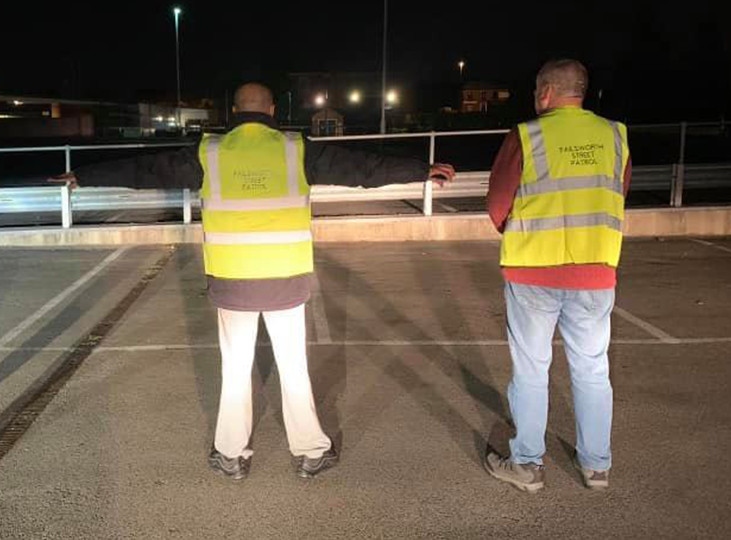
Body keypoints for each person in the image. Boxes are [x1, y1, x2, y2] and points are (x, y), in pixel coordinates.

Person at [51, 82, 455, 480]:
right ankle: (311, 452)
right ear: (273, 111)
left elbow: (143, 170)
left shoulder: (209, 152)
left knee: (236, 368)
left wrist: (83, 176)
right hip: (285, 279)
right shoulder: (297, 150)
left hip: (233, 281)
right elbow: (363, 168)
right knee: (294, 367)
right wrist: (421, 169)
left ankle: (231, 454)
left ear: (233, 112)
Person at [484, 60, 631, 492]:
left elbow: (498, 203)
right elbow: (618, 192)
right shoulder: (615, 136)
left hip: (533, 271)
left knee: (531, 368)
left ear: (546, 91)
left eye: (535, 90)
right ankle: (596, 466)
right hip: (595, 271)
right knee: (592, 369)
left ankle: (527, 465)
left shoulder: (527, 136)